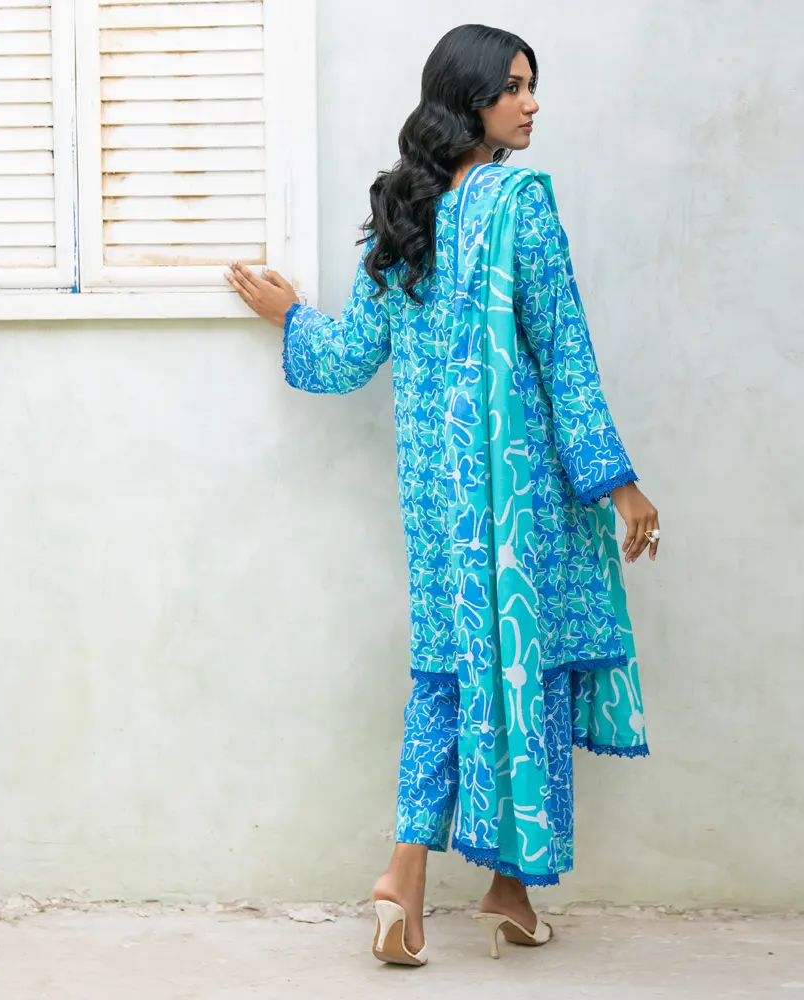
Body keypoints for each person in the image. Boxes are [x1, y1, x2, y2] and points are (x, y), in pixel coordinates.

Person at [226, 23, 660, 967]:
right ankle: (484, 885)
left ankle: (435, 883)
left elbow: (348, 359)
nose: (531, 104)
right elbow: (564, 350)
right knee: (526, 669)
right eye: (514, 87)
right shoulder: (520, 204)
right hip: (523, 495)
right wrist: (617, 482)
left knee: (452, 675)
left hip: (438, 499)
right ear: (470, 99)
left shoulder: (405, 217)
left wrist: (290, 316)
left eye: (532, 86)